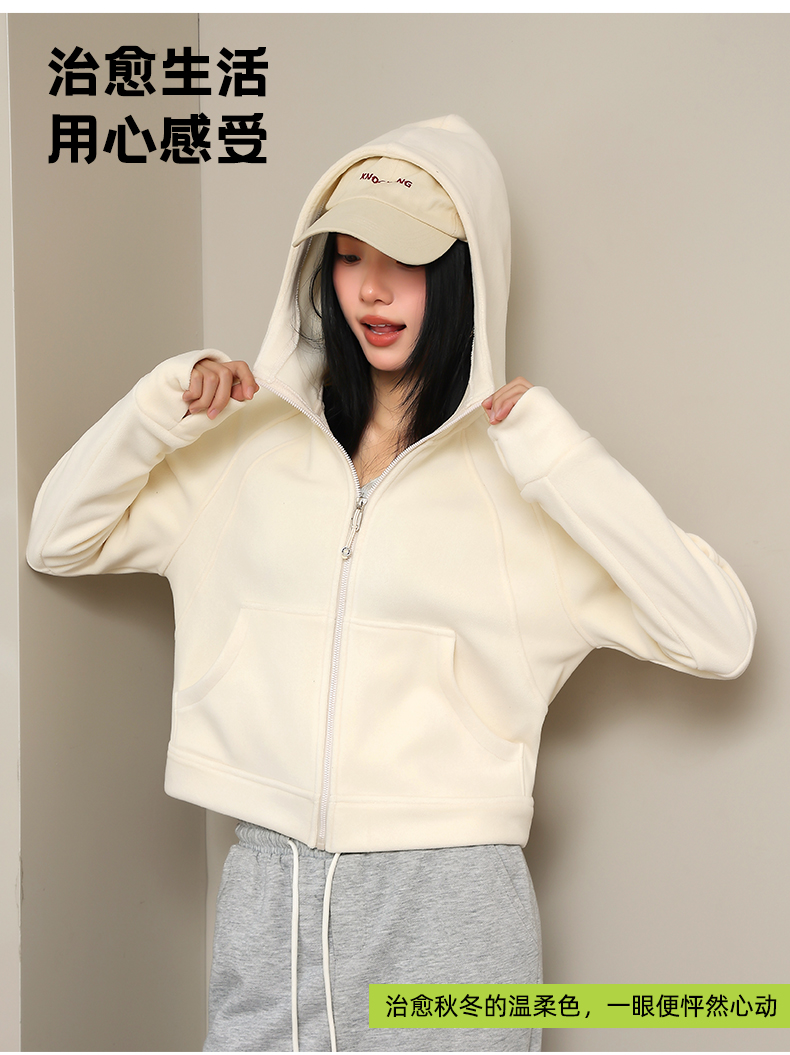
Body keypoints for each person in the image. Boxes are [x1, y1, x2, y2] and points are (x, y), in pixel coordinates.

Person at [26, 115, 755, 1053]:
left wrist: (560, 457)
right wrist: (165, 405)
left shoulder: (520, 483)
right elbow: (58, 536)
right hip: (271, 893)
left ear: (463, 274)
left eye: (405, 260)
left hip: (449, 909)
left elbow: (719, 634)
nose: (370, 288)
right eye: (348, 256)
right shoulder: (243, 446)